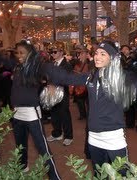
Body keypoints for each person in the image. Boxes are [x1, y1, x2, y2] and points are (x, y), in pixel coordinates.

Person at [10, 40, 87, 180]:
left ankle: (54, 177)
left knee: (42, 148)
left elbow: (62, 76)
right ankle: (22, 167)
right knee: (20, 146)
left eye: (22, 53)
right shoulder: (18, 67)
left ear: (30, 53)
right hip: (16, 113)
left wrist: (89, 78)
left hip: (31, 113)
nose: (19, 55)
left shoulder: (37, 66)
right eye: (17, 53)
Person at [85, 40, 135, 173]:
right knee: (99, 174)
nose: (97, 57)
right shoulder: (92, 75)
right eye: (96, 53)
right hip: (94, 136)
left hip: (113, 135)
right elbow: (68, 78)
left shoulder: (120, 78)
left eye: (103, 54)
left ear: (112, 58)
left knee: (123, 174)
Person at [46, 41, 74, 146]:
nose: (52, 54)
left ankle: (68, 136)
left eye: (54, 51)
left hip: (62, 93)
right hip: (52, 93)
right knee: (54, 114)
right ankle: (57, 133)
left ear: (61, 52)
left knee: (64, 114)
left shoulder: (66, 65)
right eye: (50, 52)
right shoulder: (52, 63)